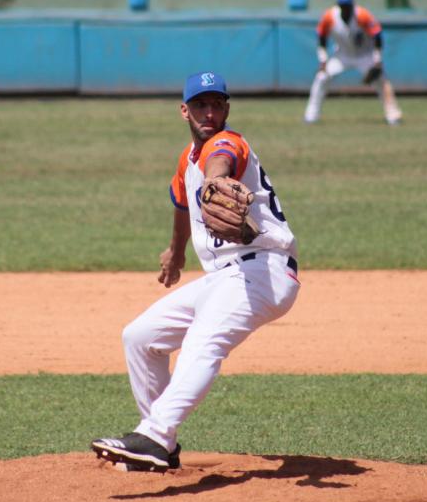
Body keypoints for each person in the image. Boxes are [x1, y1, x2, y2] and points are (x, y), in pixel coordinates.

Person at [91, 72, 300, 472]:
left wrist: (217, 181)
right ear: (183, 111)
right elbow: (183, 202)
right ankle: (161, 448)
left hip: (265, 273)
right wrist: (176, 250)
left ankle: (155, 434)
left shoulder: (227, 144)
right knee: (140, 337)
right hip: (224, 278)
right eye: (200, 105)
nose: (209, 112)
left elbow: (219, 165)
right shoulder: (187, 159)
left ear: (226, 109)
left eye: (216, 104)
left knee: (203, 341)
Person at [303, 0, 402, 125]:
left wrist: (377, 60)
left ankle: (393, 116)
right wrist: (323, 60)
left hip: (364, 55)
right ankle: (311, 116)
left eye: (347, 6)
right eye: (342, 6)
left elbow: (377, 35)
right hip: (342, 55)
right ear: (338, 6)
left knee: (381, 80)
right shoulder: (330, 16)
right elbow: (321, 36)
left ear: (352, 5)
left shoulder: (362, 15)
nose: (345, 8)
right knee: (321, 78)